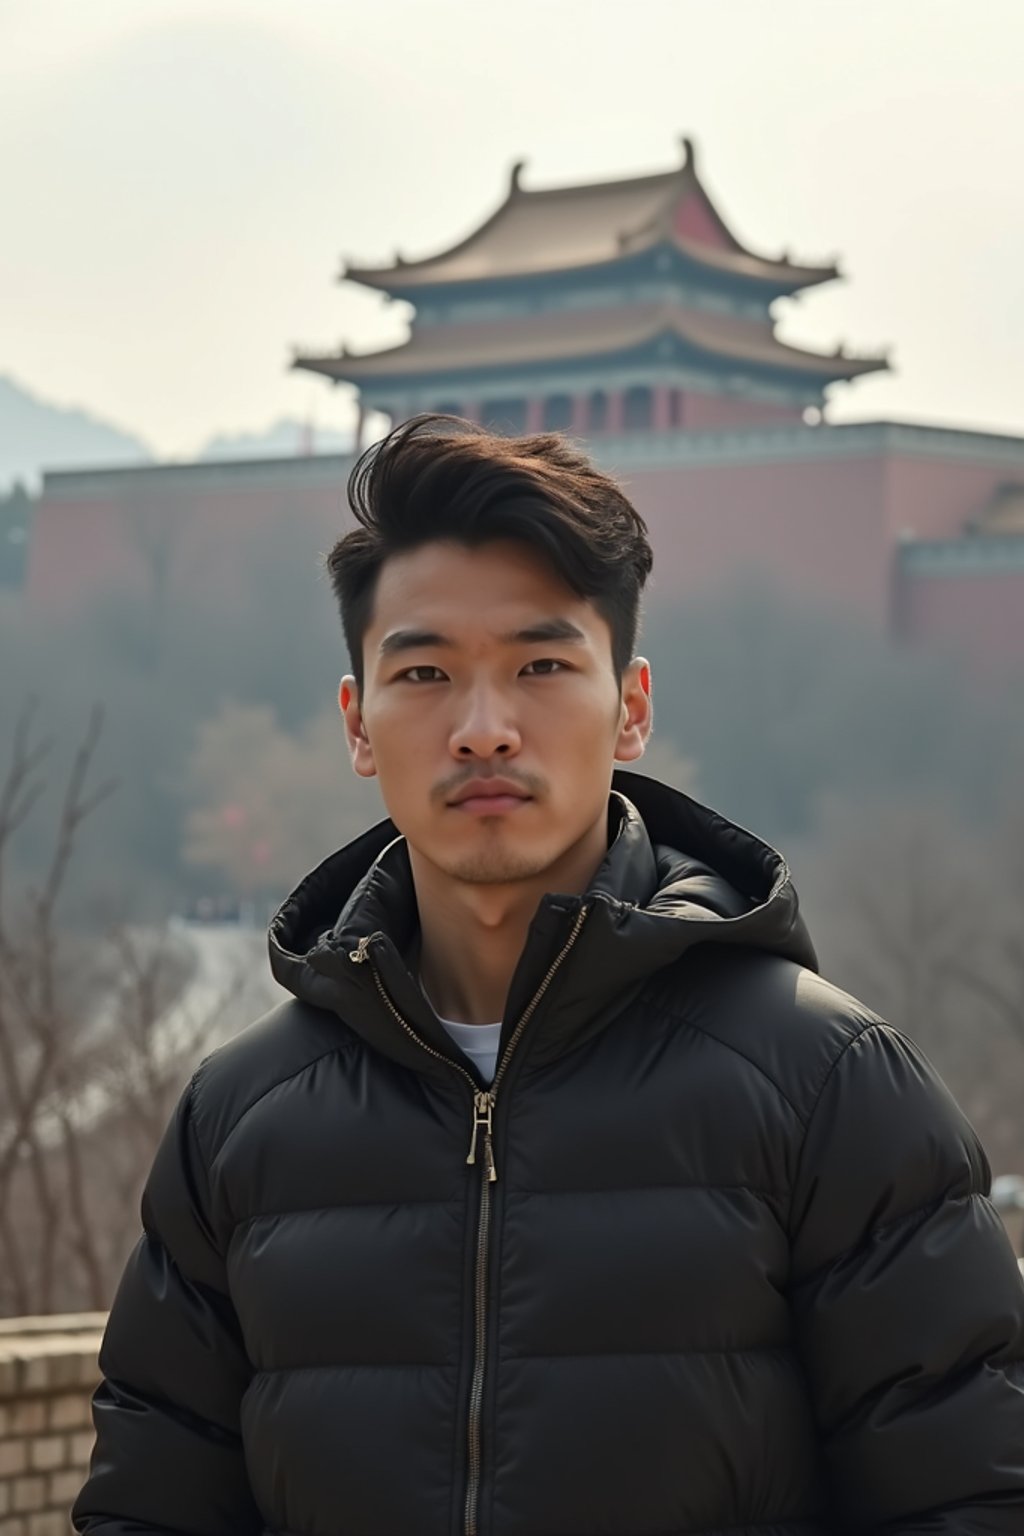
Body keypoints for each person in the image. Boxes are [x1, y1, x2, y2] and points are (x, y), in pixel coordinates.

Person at [74, 415, 1024, 1536]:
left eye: (541, 665)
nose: (483, 729)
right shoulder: (239, 1124)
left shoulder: (826, 1086)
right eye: (423, 672)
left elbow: (968, 1501)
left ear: (630, 706)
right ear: (358, 725)